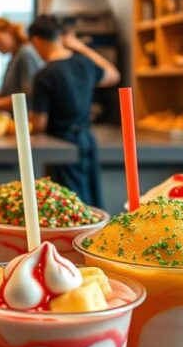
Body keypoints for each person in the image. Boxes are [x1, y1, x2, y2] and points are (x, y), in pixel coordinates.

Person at [26, 15, 120, 207]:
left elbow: (39, 124)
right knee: (90, 203)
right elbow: (113, 75)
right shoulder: (83, 63)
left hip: (60, 146)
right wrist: (81, 47)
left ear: (36, 40)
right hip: (87, 140)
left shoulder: (44, 75)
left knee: (69, 206)